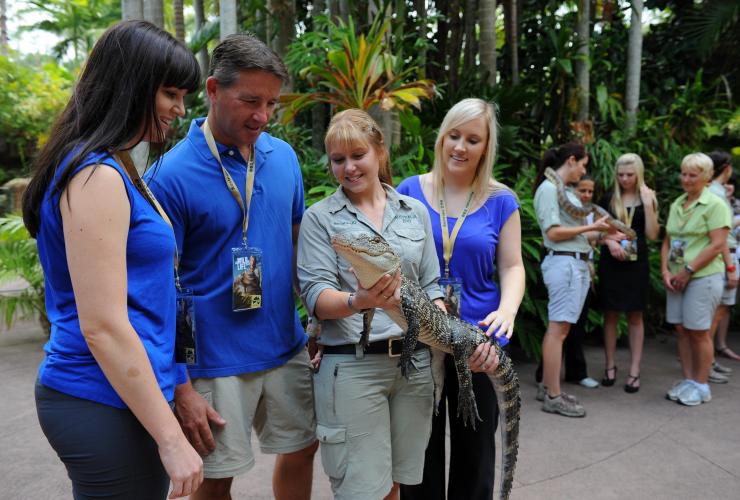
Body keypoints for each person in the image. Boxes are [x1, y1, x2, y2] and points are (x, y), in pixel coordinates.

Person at [23, 21, 203, 499]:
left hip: (127, 395)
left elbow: (151, 298)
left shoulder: (116, 164)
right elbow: (102, 325)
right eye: (169, 93)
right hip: (99, 396)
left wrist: (176, 385)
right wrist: (170, 438)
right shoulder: (96, 176)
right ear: (131, 85)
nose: (179, 109)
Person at [145, 34, 317, 500]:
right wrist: (181, 386)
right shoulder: (170, 175)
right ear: (214, 90)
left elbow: (299, 242)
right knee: (216, 476)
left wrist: (317, 318)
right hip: (214, 360)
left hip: (286, 344)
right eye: (250, 101)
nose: (262, 116)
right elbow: (161, 288)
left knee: (302, 448)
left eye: (271, 103)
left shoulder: (283, 158)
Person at [297, 109, 501, 500]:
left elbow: (431, 286)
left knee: (398, 485)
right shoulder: (320, 218)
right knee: (360, 491)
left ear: (380, 152)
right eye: (338, 160)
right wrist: (360, 300)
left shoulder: (414, 212)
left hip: (415, 368)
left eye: (358, 155)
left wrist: (450, 333)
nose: (349, 168)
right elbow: (316, 297)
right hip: (354, 365)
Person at [395, 98, 525, 500]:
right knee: (421, 449)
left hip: (480, 342)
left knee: (476, 450)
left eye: (473, 139)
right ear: (442, 137)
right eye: (454, 135)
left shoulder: (502, 200)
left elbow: (512, 267)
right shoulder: (409, 192)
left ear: (485, 146)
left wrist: (507, 311)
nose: (461, 147)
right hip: (421, 337)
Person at [533, 143, 623, 418]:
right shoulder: (549, 189)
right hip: (563, 263)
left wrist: (606, 237)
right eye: (583, 164)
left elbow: (575, 234)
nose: (584, 170)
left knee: (561, 329)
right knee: (558, 330)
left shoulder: (567, 192)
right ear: (571, 160)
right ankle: (553, 396)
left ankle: (550, 386)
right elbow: (554, 233)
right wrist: (594, 227)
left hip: (575, 262)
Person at [662, 153, 730, 406]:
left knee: (699, 332)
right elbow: (668, 240)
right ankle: (688, 380)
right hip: (677, 277)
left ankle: (702, 385)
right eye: (684, 173)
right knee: (681, 330)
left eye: (693, 175)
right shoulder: (678, 203)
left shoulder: (715, 204)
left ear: (706, 177)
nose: (686, 179)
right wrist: (666, 272)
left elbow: (717, 245)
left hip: (703, 276)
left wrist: (687, 271)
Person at [597, 154, 659, 393]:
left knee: (635, 315)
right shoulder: (609, 198)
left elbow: (653, 235)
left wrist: (648, 203)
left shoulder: (647, 198)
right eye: (620, 174)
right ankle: (609, 366)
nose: (624, 179)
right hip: (612, 262)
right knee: (610, 314)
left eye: (630, 175)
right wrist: (609, 242)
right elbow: (597, 233)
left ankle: (634, 370)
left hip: (636, 263)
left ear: (639, 174)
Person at [707, 151, 740, 366]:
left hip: (722, 255)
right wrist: (731, 268)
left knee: (717, 312)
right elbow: (722, 232)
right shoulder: (716, 194)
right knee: (714, 314)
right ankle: (705, 362)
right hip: (723, 255)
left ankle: (708, 360)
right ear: (726, 169)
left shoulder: (715, 192)